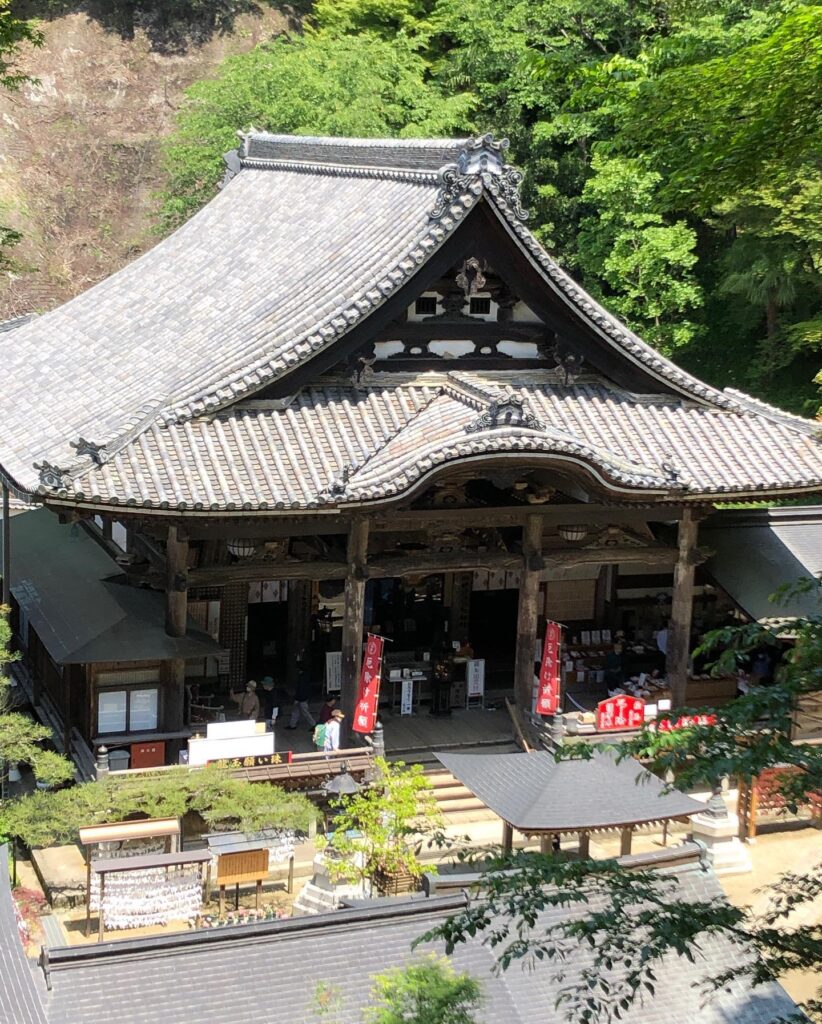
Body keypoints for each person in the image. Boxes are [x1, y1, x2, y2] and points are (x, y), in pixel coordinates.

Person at [286, 650, 316, 729]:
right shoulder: (305, 675)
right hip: (302, 696)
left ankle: (313, 724)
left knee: (303, 712)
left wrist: (298, 698)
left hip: (301, 697)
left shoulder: (302, 677)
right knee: (298, 711)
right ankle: (292, 724)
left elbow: (301, 688)